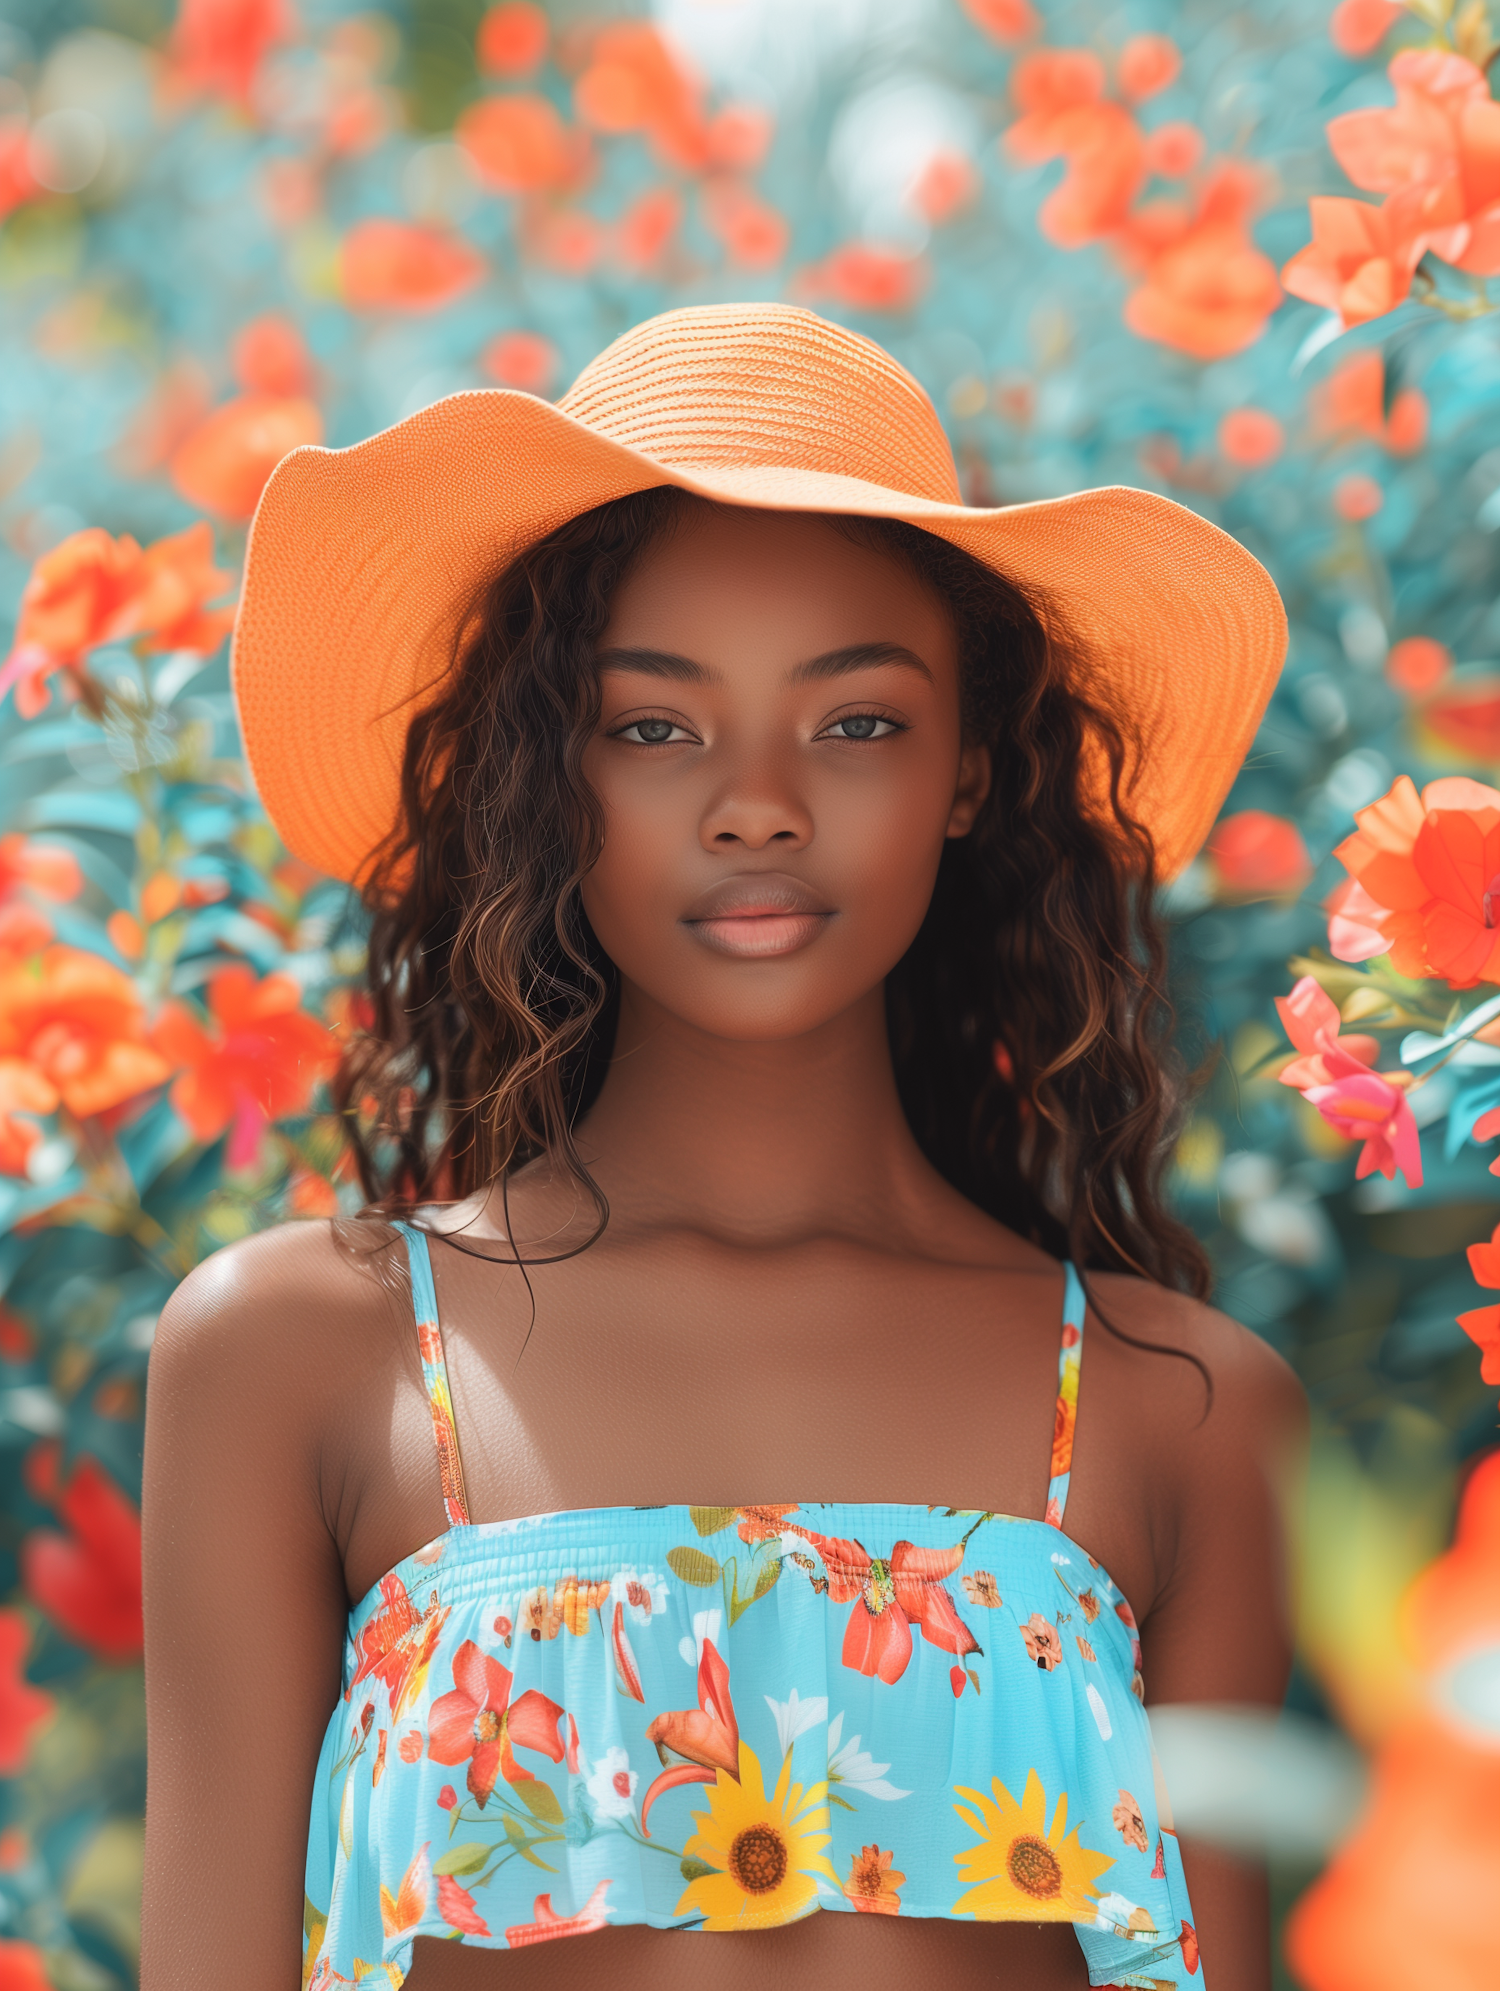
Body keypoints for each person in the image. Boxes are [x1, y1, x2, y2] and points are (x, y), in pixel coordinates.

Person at [141, 304, 1304, 1991]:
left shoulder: (1180, 1408)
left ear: (972, 771)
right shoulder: (299, 1354)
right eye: (656, 726)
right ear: (551, 776)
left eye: (856, 723)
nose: (757, 803)